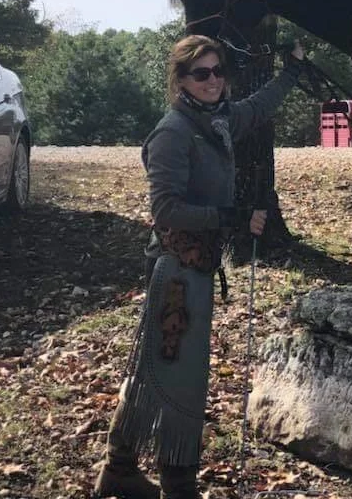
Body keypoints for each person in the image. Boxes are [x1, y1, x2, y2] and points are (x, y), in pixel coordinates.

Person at [95, 34, 305, 499]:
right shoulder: (173, 132)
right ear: (181, 81)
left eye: (217, 71)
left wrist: (291, 70)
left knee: (157, 370)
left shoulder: (218, 119)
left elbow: (259, 105)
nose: (213, 81)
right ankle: (179, 484)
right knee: (181, 377)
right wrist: (228, 218)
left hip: (198, 268)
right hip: (175, 273)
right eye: (201, 74)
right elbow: (165, 209)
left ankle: (119, 467)